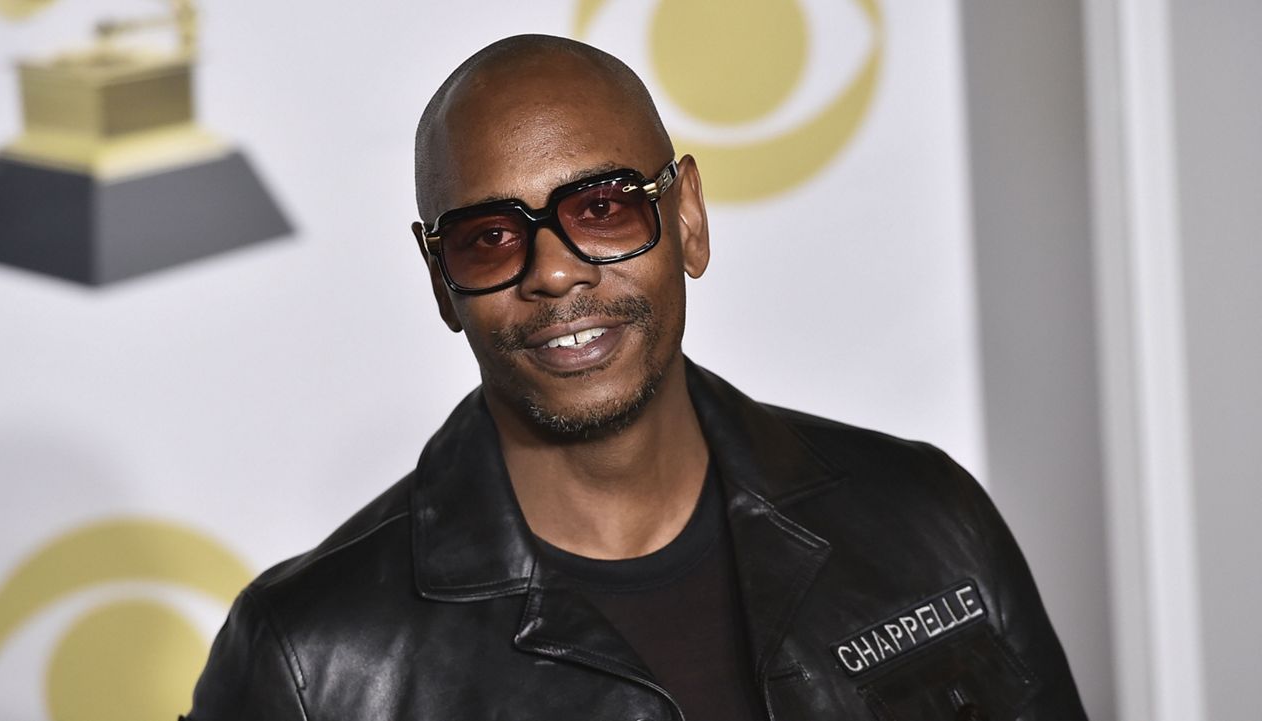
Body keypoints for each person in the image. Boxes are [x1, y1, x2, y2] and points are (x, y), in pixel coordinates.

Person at [185, 34, 1087, 721]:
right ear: (442, 284)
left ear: (687, 217)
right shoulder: (311, 658)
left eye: (602, 206)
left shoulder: (925, 516)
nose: (555, 271)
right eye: (488, 236)